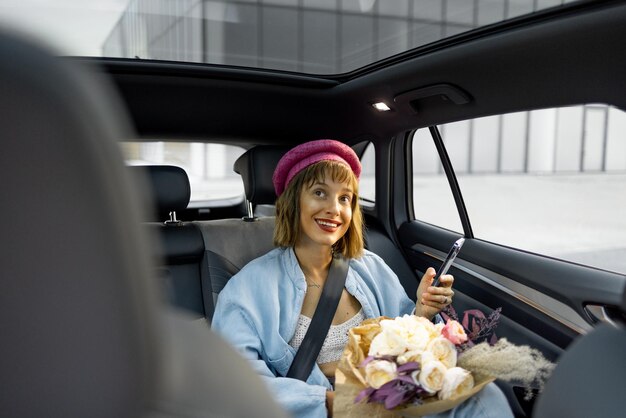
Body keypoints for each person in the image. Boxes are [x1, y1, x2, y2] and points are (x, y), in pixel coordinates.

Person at [212, 140, 512, 418]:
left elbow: (405, 339)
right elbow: (234, 382)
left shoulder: (370, 267)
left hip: (391, 406)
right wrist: (330, 403)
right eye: (319, 193)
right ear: (293, 201)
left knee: (486, 398)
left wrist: (422, 312)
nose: (334, 208)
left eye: (345, 198)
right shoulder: (247, 289)